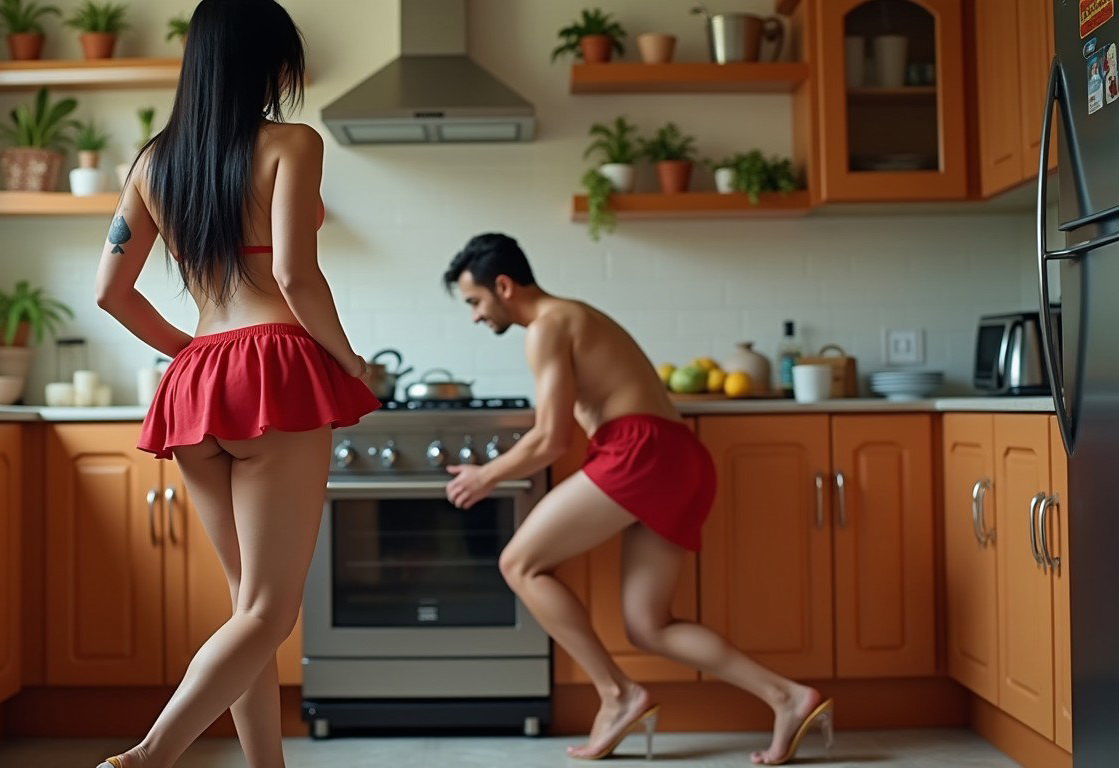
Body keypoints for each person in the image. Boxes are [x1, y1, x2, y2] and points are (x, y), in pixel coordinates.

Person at [93, 2, 378, 766]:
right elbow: (294, 274)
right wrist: (349, 361)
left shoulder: (151, 164)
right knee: (267, 612)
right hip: (276, 373)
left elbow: (110, 293)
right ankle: (148, 757)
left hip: (196, 383)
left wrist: (196, 352)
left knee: (248, 610)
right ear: (269, 63)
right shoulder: (293, 143)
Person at [441, 233, 833, 765]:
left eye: (475, 301)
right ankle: (787, 696)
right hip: (676, 458)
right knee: (649, 626)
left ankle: (617, 694)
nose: (475, 316)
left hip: (640, 453)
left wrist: (486, 475)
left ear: (504, 286)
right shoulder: (575, 315)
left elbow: (550, 438)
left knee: (519, 564)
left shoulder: (548, 326)